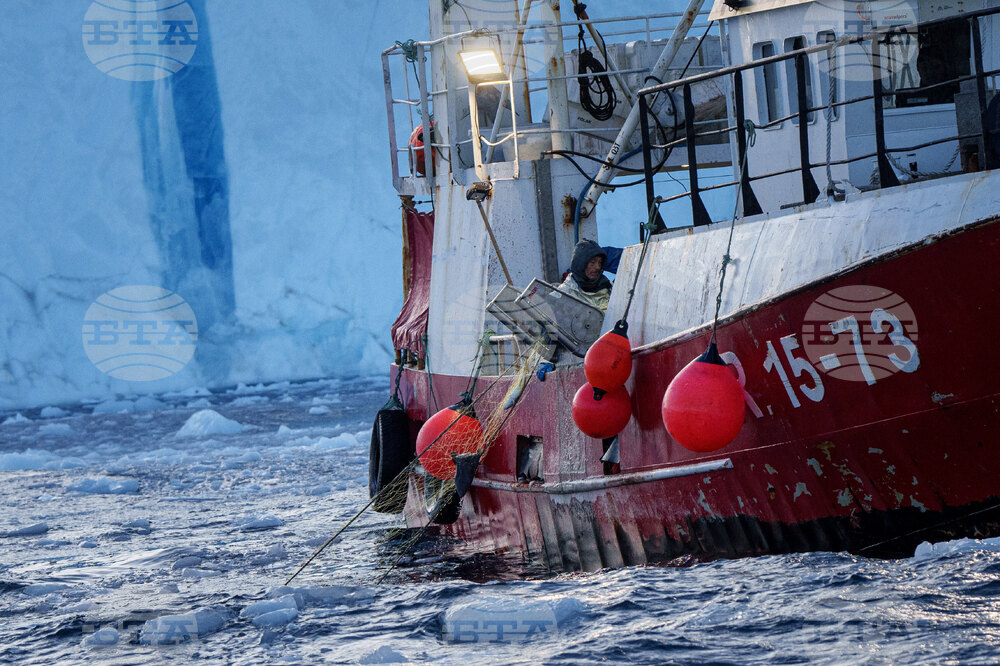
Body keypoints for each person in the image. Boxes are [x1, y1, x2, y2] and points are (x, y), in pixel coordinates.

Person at [557, 239, 612, 312]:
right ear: (580, 264)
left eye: (600, 262)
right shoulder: (563, 293)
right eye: (592, 262)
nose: (597, 267)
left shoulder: (609, 289)